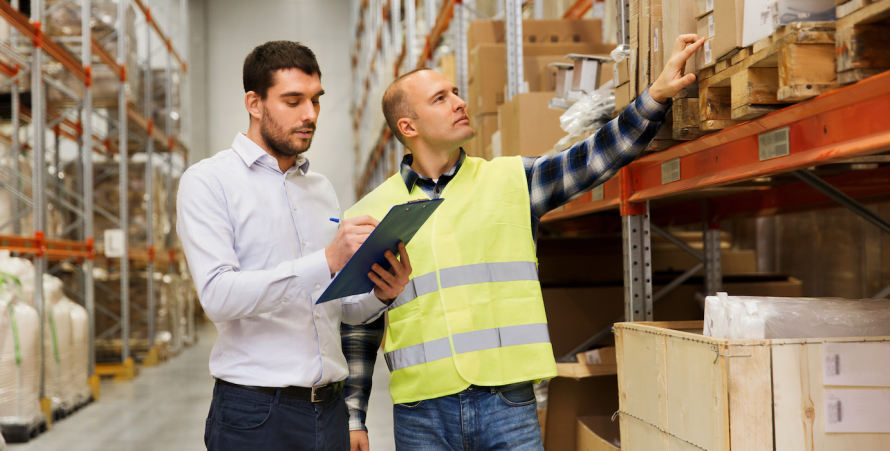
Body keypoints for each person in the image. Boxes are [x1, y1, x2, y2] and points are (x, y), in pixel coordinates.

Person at [341, 35, 706, 450]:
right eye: (441, 98)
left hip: (507, 405)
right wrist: (354, 416)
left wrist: (654, 97)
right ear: (408, 126)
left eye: (457, 92)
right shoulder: (371, 212)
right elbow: (358, 326)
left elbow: (594, 156)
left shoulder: (514, 180)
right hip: (421, 412)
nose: (460, 102)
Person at [176, 40, 412, 451]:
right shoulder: (209, 182)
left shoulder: (318, 189)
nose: (310, 115)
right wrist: (326, 260)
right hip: (256, 414)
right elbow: (217, 296)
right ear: (254, 102)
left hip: (330, 410)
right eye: (293, 100)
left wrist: (380, 293)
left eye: (316, 101)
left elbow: (338, 306)